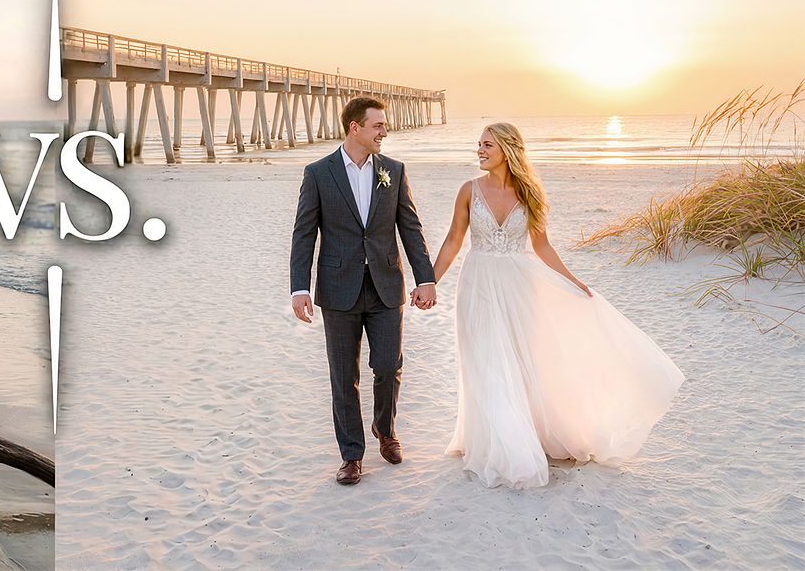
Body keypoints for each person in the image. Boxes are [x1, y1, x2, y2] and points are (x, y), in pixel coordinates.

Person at [431, 122, 684, 488]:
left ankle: (524, 433)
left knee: (520, 358)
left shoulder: (530, 193)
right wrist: (430, 282)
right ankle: (491, 438)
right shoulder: (468, 191)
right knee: (483, 358)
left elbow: (542, 246)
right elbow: (454, 240)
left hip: (521, 285)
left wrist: (571, 280)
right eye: (479, 145)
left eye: (487, 145)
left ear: (507, 149)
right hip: (478, 282)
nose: (480, 151)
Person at [289, 97, 438, 485]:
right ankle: (351, 455)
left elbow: (410, 227)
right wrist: (299, 287)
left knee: (389, 366)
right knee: (344, 376)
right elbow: (304, 232)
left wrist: (426, 278)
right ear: (355, 127)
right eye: (378, 126)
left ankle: (385, 430)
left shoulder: (394, 170)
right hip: (338, 289)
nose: (384, 132)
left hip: (387, 286)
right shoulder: (319, 173)